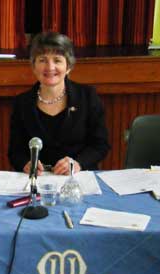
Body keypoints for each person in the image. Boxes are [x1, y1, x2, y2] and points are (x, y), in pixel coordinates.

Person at [8, 32, 110, 176]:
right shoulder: (22, 102)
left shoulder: (87, 96)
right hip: (38, 180)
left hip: (77, 178)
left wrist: (78, 163)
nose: (50, 67)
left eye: (57, 60)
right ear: (33, 66)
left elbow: (100, 145)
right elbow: (15, 151)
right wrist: (25, 163)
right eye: (42, 60)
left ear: (68, 66)